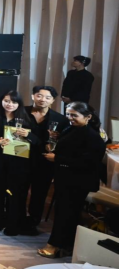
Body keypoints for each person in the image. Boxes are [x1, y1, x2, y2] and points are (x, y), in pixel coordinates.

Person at [38, 102, 106, 258]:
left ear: (88, 117)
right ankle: (67, 245)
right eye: (68, 114)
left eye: (74, 115)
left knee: (66, 214)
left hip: (78, 181)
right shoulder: (72, 128)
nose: (70, 118)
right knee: (64, 212)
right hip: (66, 178)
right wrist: (57, 138)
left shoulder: (93, 136)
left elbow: (89, 162)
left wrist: (57, 158)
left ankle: (56, 246)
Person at [0, 91, 39, 236]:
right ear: (1, 101)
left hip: (19, 163)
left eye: (14, 102)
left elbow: (38, 141)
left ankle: (14, 224)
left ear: (19, 104)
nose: (9, 104)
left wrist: (28, 135)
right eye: (6, 101)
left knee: (16, 194)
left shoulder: (28, 118)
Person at [26, 85, 67, 226]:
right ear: (33, 96)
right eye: (39, 95)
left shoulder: (60, 119)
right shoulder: (21, 112)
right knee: (18, 190)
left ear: (53, 100)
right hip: (21, 158)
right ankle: (15, 217)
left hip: (44, 161)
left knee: (39, 193)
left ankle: (33, 221)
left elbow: (64, 142)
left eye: (47, 97)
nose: (43, 99)